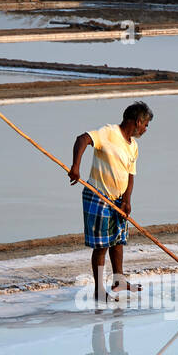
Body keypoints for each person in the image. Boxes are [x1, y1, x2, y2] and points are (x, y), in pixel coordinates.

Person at [68, 101, 153, 304]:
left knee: (118, 241)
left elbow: (130, 175)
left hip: (118, 200)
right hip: (98, 195)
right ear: (138, 121)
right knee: (102, 246)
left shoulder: (133, 146)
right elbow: (83, 139)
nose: (146, 129)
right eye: (146, 125)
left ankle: (119, 280)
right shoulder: (109, 132)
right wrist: (76, 166)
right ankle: (99, 290)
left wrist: (127, 201)